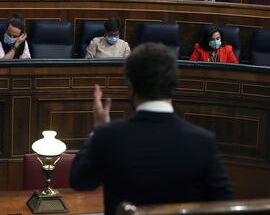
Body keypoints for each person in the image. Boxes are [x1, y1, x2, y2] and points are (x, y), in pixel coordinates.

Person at [70, 42, 233, 215]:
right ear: (174, 85)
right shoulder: (203, 141)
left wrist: (97, 131)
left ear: (130, 87)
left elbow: (79, 181)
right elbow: (225, 204)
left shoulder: (108, 136)